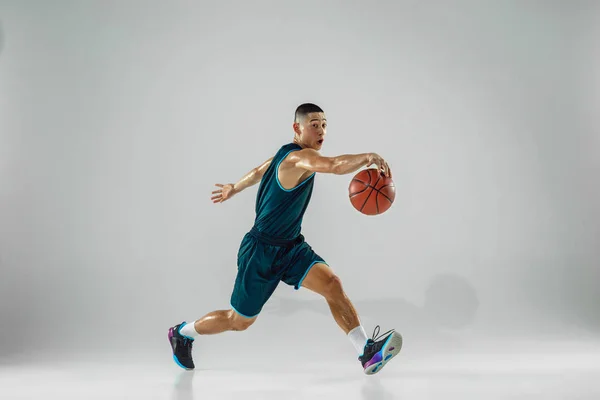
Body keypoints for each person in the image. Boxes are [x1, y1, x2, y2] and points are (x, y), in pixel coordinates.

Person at [168, 103, 402, 375]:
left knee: (331, 284)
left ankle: (366, 352)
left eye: (324, 124)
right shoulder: (298, 158)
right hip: (260, 251)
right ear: (297, 128)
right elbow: (335, 165)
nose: (321, 130)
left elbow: (260, 170)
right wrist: (368, 156)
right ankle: (182, 333)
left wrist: (234, 187)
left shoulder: (285, 154)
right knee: (239, 321)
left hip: (291, 247)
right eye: (314, 124)